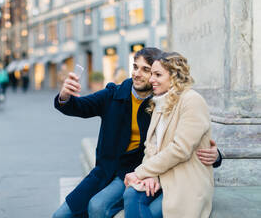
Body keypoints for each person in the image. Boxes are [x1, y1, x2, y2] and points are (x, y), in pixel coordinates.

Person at [52, 48, 221, 218]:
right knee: (60, 215)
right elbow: (81, 106)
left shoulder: (161, 102)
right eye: (135, 67)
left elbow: (186, 139)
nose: (137, 74)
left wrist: (216, 155)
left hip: (135, 170)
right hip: (105, 170)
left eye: (147, 70)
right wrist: (65, 96)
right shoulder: (114, 94)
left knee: (97, 206)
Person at [124, 52, 214, 218]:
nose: (151, 80)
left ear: (175, 76)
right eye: (152, 74)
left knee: (148, 211)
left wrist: (140, 172)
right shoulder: (159, 101)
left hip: (184, 180)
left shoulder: (192, 101)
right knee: (130, 195)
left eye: (158, 75)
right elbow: (150, 147)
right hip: (161, 175)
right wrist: (149, 175)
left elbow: (180, 149)